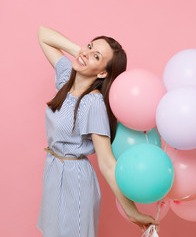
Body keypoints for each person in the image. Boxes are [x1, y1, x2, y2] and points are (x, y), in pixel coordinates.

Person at [37, 26, 157, 237]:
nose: (86, 52)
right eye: (90, 46)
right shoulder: (66, 76)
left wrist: (132, 211)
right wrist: (83, 54)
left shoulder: (93, 103)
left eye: (97, 56)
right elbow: (43, 34)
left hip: (76, 180)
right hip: (54, 172)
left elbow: (107, 163)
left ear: (103, 73)